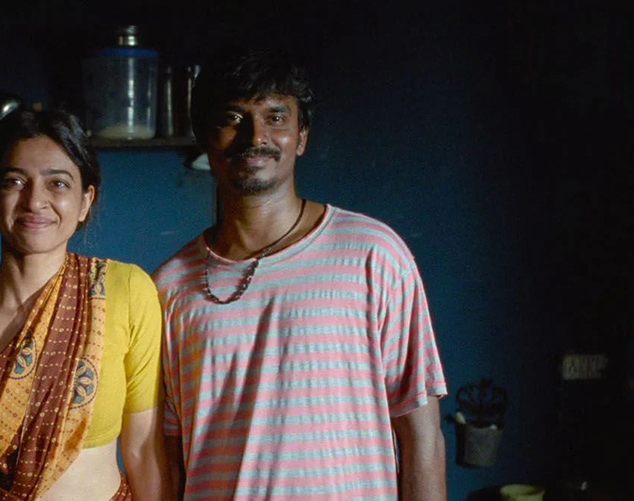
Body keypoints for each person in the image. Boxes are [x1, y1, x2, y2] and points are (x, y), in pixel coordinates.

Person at [153, 48, 448, 500]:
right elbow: (169, 466)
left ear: (302, 136)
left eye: (276, 117)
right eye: (233, 118)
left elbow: (421, 438)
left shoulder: (373, 254)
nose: (256, 136)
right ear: (205, 138)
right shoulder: (169, 287)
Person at [0, 109, 172, 500]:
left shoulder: (125, 291)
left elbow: (144, 451)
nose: (35, 201)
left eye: (57, 183)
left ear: (85, 201)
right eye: (14, 181)